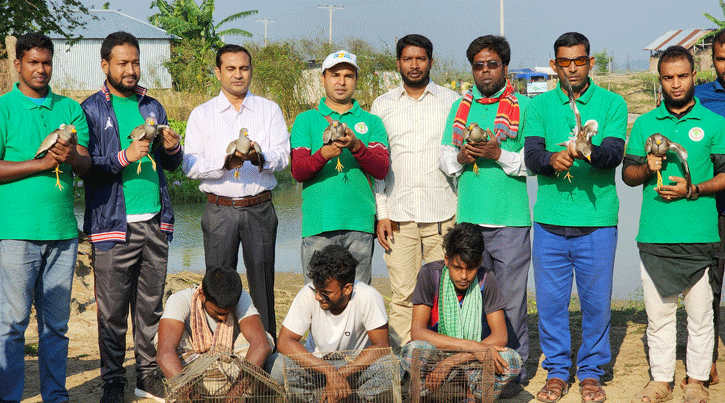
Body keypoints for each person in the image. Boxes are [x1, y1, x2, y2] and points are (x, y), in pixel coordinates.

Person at [522, 32, 627, 403]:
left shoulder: (612, 103)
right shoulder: (539, 106)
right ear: (554, 65)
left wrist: (586, 151)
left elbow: (614, 154)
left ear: (590, 62)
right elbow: (531, 156)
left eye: (579, 61)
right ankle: (556, 372)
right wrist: (552, 159)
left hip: (597, 222)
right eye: (564, 62)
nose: (571, 69)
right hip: (550, 222)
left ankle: (592, 374)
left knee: (597, 303)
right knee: (551, 304)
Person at [81, 31, 183, 403]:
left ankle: (146, 376)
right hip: (112, 226)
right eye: (122, 63)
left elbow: (170, 166)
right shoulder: (91, 109)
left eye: (135, 62)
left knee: (150, 307)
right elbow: (86, 168)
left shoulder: (153, 106)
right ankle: (112, 381)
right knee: (111, 312)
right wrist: (126, 155)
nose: (131, 69)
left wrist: (172, 149)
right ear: (105, 65)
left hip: (155, 222)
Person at [624, 45, 725, 403]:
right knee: (660, 316)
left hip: (700, 235)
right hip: (655, 235)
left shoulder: (714, 124)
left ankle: (696, 381)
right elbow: (628, 174)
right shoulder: (646, 124)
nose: (676, 84)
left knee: (700, 317)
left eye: (683, 76)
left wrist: (693, 189)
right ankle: (661, 381)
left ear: (695, 75)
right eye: (669, 77)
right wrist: (645, 169)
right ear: (661, 80)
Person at [0, 32, 91, 403]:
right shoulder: (4, 108)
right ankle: (10, 397)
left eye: (47, 62)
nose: (41, 69)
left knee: (57, 325)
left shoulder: (69, 108)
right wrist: (41, 164)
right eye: (33, 62)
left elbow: (86, 164)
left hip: (62, 232)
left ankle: (56, 396)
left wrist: (70, 157)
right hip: (16, 232)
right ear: (17, 64)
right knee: (12, 325)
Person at [439, 36, 532, 394]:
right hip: (470, 219)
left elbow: (531, 164)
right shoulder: (461, 108)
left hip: (510, 220)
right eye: (478, 65)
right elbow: (445, 157)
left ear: (505, 67)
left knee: (510, 302)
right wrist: (462, 158)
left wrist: (497, 153)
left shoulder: (524, 107)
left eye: (492, 64)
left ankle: (512, 375)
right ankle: (477, 372)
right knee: (472, 302)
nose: (485, 71)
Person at [183, 44, 289, 339]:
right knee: (218, 285)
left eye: (244, 68)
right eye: (230, 69)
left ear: (251, 70)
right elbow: (189, 165)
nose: (238, 75)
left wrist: (261, 157)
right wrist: (224, 163)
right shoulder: (202, 114)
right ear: (218, 72)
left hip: (259, 208)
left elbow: (284, 156)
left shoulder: (269, 110)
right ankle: (217, 348)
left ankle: (265, 352)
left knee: (262, 282)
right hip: (219, 209)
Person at [370, 34, 459, 351]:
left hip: (444, 213)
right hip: (399, 216)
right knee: (404, 294)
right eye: (408, 59)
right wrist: (382, 213)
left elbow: (456, 158)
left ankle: (442, 360)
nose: (414, 64)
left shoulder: (452, 102)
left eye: (420, 58)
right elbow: (379, 165)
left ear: (431, 62)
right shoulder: (382, 105)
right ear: (398, 63)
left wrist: (460, 212)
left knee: (443, 292)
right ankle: (407, 365)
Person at [290, 50, 389, 285]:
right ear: (323, 78)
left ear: (356, 80)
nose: (341, 81)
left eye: (348, 75)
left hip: (360, 224)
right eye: (335, 75)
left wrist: (356, 147)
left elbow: (382, 168)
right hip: (318, 224)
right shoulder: (306, 120)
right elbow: (298, 171)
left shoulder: (372, 121)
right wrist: (323, 154)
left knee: (358, 296)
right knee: (319, 296)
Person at [401, 222, 522, 400]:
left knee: (512, 361)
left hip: (472, 361)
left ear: (479, 262)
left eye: (471, 268)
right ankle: (436, 391)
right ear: (447, 260)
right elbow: (418, 332)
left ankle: (472, 392)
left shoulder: (486, 279)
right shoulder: (430, 274)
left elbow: (500, 336)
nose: (464, 276)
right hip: (440, 356)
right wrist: (473, 346)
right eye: (457, 268)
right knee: (413, 350)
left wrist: (453, 361)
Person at [269, 245, 392, 402]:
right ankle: (320, 397)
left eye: (325, 293)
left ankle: (353, 398)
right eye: (317, 291)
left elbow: (381, 346)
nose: (318, 297)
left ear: (347, 289)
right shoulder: (308, 293)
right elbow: (285, 341)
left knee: (388, 367)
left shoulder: (368, 296)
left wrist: (340, 374)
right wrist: (328, 371)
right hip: (317, 366)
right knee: (276, 365)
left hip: (354, 366)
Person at [157, 269, 273, 381]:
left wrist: (235, 395)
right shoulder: (180, 299)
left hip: (231, 371)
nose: (223, 318)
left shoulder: (240, 296)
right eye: (218, 312)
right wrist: (188, 396)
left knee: (265, 338)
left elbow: (261, 345)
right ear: (202, 295)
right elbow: (164, 353)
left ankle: (232, 388)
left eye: (228, 312)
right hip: (192, 373)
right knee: (162, 338)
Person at [693, 27, 725, 388]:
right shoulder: (699, 98)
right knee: (710, 286)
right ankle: (708, 358)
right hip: (714, 209)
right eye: (720, 58)